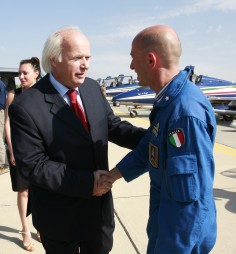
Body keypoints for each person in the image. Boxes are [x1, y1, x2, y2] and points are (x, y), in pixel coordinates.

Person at [8, 26, 145, 254]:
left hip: (98, 215)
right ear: (54, 60)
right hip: (59, 219)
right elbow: (33, 165)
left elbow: (113, 126)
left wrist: (152, 137)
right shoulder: (26, 105)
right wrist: (88, 182)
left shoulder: (91, 88)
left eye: (88, 57)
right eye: (77, 58)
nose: (85, 65)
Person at [108, 25, 217, 253]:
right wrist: (113, 175)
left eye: (132, 58)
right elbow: (150, 147)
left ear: (150, 59)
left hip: (177, 239)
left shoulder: (184, 113)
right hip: (164, 226)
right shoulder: (168, 103)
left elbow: (189, 202)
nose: (130, 66)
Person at [5, 57, 42, 252]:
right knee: (24, 190)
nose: (21, 77)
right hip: (17, 149)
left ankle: (39, 226)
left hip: (38, 150)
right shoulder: (14, 94)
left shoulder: (42, 93)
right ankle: (25, 230)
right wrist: (11, 150)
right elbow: (7, 123)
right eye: (20, 73)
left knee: (39, 189)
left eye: (24, 73)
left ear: (36, 73)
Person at [0, 77, 8, 174]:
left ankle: (3, 165)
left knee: (0, 139)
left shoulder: (0, 84)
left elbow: (2, 103)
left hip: (0, 111)